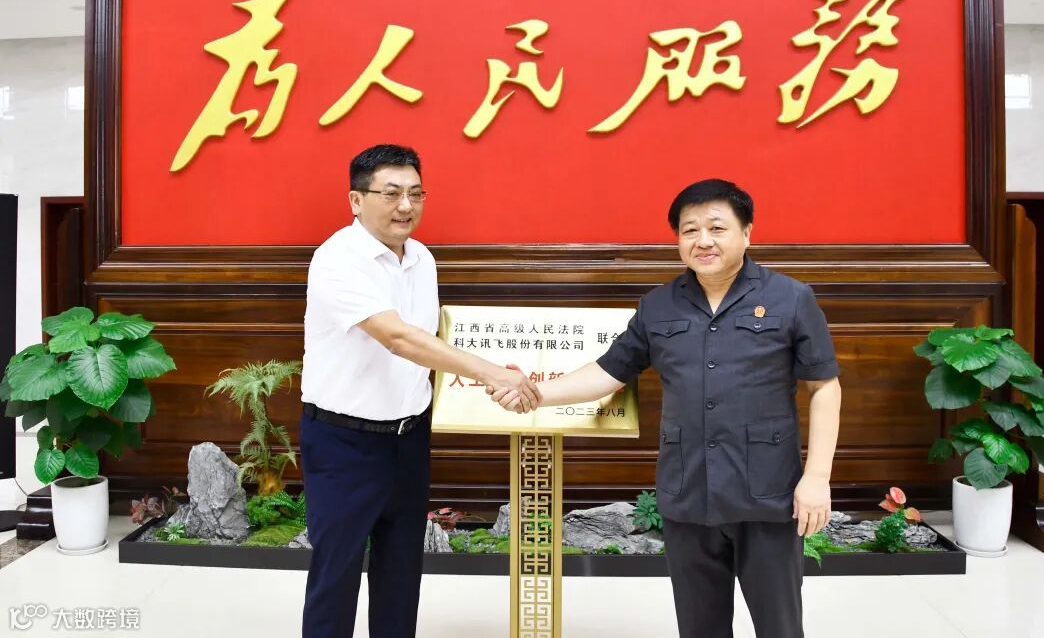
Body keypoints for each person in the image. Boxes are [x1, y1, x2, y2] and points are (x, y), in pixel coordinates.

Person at [491, 178, 842, 638]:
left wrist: (816, 478)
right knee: (698, 627)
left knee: (780, 626)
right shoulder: (659, 305)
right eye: (689, 230)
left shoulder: (790, 298)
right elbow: (609, 372)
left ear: (747, 233)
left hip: (768, 494)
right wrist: (536, 393)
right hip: (688, 494)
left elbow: (824, 387)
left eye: (717, 227)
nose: (703, 241)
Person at [299, 144, 538, 638]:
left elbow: (432, 341)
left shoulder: (422, 258)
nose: (406, 206)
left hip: (408, 438)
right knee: (336, 571)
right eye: (391, 194)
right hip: (344, 441)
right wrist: (494, 374)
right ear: (356, 200)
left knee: (402, 568)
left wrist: (500, 374)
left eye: (416, 193)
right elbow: (399, 338)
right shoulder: (337, 258)